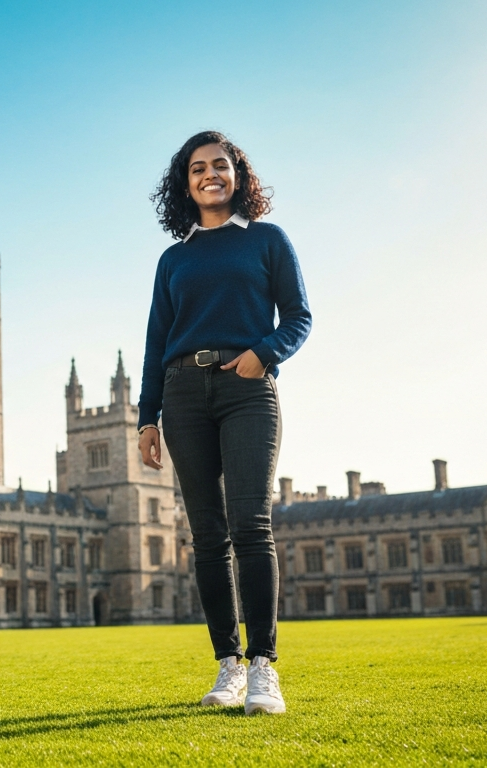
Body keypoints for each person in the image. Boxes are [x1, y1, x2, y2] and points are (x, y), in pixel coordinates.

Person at [137, 130, 311, 714]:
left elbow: (299, 317)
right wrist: (146, 417)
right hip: (183, 393)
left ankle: (264, 666)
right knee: (207, 535)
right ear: (184, 185)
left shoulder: (266, 240)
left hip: (247, 388)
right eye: (196, 169)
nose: (209, 175)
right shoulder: (174, 258)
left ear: (238, 174)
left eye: (220, 165)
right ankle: (227, 665)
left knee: (250, 523)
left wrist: (264, 353)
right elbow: (156, 341)